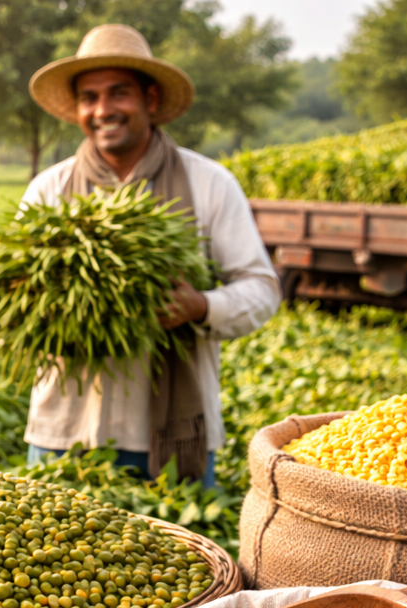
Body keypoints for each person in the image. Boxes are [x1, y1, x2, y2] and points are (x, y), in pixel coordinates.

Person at [23, 25, 280, 488]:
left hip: (168, 437)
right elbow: (19, 290)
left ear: (151, 99)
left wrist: (201, 306)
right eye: (90, 97)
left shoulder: (208, 183)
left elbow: (261, 288)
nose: (103, 110)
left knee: (180, 558)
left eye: (118, 93)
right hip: (66, 430)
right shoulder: (50, 189)